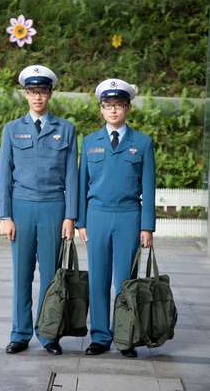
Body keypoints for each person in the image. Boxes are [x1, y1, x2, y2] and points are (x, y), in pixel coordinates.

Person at [0, 65, 78, 355]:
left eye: (42, 91)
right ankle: (19, 333)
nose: (37, 97)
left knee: (51, 275)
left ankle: (48, 333)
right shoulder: (12, 130)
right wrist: (5, 216)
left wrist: (70, 216)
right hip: (21, 209)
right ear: (25, 94)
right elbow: (4, 174)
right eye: (32, 91)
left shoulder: (66, 129)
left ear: (50, 94)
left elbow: (72, 176)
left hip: (54, 208)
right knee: (22, 274)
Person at [76, 78, 155, 358]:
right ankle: (99, 336)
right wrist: (80, 222)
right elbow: (81, 184)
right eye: (108, 106)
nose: (113, 111)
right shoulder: (89, 143)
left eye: (119, 105)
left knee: (125, 280)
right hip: (97, 217)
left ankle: (125, 335)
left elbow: (148, 186)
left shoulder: (142, 144)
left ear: (128, 108)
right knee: (98, 278)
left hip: (128, 217)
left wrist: (147, 226)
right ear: (101, 110)